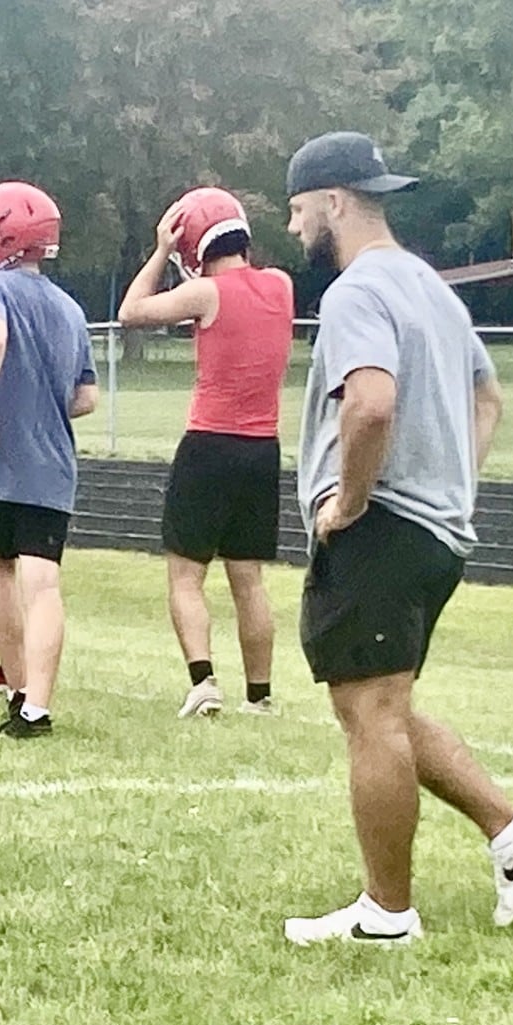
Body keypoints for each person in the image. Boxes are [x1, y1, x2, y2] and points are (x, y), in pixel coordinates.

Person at [283, 131, 513, 944]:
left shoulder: (354, 293)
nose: (296, 226)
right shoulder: (434, 291)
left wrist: (350, 499)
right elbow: (486, 397)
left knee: (369, 713)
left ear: (334, 201)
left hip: (384, 524)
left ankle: (388, 914)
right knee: (384, 704)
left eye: (300, 210)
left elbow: (368, 405)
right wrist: (453, 484)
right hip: (436, 529)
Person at [119, 187, 293, 717]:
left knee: (186, 574)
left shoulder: (206, 294)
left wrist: (157, 253)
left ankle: (204, 681)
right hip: (263, 448)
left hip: (209, 444)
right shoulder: (281, 286)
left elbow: (132, 311)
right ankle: (259, 696)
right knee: (249, 580)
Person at [0, 182, 99, 738]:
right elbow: (85, 398)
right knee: (44, 586)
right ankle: (37, 705)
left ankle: (17, 689)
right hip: (51, 467)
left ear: (1, 236)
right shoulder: (69, 307)